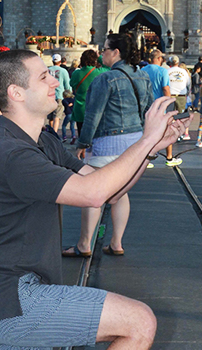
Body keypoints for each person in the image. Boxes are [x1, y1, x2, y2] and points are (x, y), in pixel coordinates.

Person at [0, 49, 189, 350]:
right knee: (139, 321)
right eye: (44, 77)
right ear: (16, 92)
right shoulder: (11, 154)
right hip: (13, 300)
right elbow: (92, 194)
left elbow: (109, 191)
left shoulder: (43, 141)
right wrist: (146, 139)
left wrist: (150, 150)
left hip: (20, 295)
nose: (55, 83)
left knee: (138, 322)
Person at [70, 32, 154, 257]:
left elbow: (93, 115)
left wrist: (82, 143)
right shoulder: (143, 76)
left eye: (104, 49)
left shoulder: (105, 79)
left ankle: (84, 244)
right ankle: (116, 242)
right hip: (134, 143)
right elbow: (149, 110)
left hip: (108, 141)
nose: (101, 54)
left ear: (116, 52)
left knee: (93, 190)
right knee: (119, 192)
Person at [142, 49, 178, 166]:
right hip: (160, 105)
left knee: (147, 132)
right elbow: (166, 88)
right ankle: (169, 157)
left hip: (146, 105)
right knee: (167, 130)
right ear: (158, 59)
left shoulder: (142, 70)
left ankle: (146, 158)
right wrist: (169, 102)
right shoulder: (163, 71)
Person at [70, 49, 110, 138]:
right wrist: (99, 57)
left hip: (80, 109)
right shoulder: (99, 72)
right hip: (95, 109)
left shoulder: (76, 73)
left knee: (82, 136)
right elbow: (109, 68)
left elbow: (72, 84)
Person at [167, 55, 192, 144]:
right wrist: (188, 93)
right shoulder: (183, 72)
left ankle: (171, 132)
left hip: (171, 95)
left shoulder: (167, 71)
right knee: (181, 116)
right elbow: (188, 83)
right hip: (181, 95)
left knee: (171, 116)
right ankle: (180, 133)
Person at [47, 54, 71, 136]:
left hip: (48, 95)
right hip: (59, 96)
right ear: (60, 62)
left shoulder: (47, 70)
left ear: (52, 61)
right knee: (56, 116)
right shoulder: (63, 71)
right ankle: (55, 134)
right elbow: (67, 85)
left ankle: (50, 133)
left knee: (50, 117)